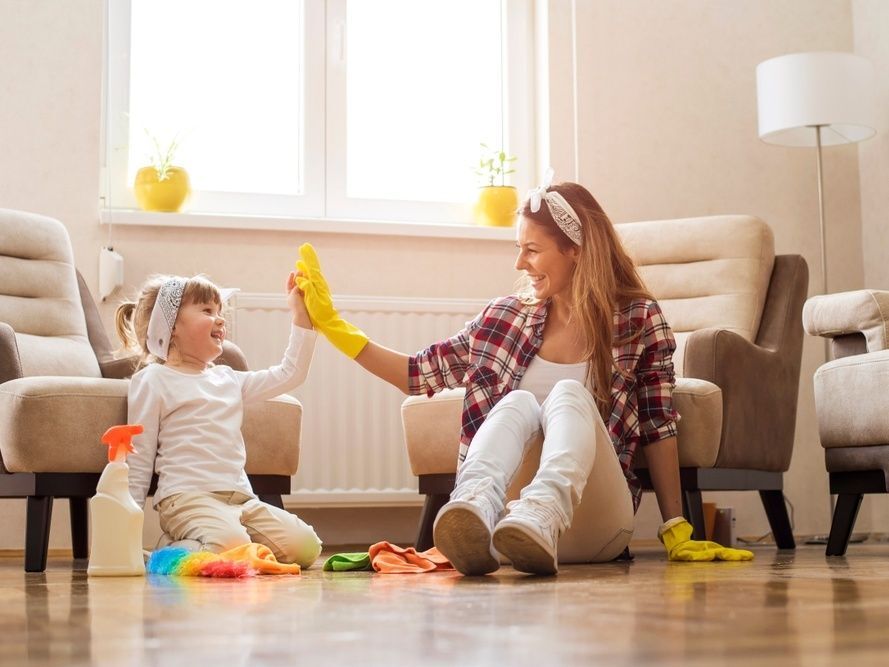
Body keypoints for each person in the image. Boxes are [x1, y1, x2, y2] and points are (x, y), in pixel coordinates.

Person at [295, 169, 753, 576]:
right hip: (504, 534)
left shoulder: (636, 319)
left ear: (575, 250)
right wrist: (332, 326)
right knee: (516, 403)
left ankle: (543, 510)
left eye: (532, 250)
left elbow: (658, 425)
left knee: (569, 397)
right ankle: (472, 506)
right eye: (519, 249)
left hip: (591, 524)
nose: (519, 264)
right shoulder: (503, 319)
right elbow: (417, 375)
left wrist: (676, 529)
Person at [115, 271, 322, 568]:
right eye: (207, 311)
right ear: (171, 326)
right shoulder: (154, 379)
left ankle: (230, 545)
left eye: (220, 311)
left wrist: (301, 314)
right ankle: (169, 549)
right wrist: (127, 535)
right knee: (230, 546)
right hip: (186, 498)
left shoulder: (228, 378)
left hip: (241, 499)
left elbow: (291, 374)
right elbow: (139, 456)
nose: (220, 319)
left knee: (306, 547)